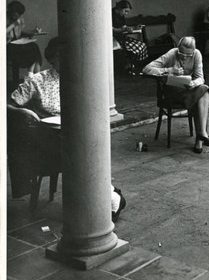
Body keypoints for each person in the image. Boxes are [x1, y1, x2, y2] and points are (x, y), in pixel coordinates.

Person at [7, 37, 126, 222]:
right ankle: (109, 197)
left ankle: (106, 196)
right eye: (62, 57)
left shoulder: (80, 79)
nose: (68, 61)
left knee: (89, 148)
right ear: (52, 58)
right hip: (48, 139)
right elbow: (8, 104)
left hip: (75, 134)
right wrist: (22, 111)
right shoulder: (38, 80)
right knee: (83, 154)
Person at [142, 36, 209, 153]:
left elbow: (200, 78)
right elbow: (146, 69)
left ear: (193, 51)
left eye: (188, 55)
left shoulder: (197, 54)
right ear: (178, 48)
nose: (184, 57)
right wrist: (169, 70)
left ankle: (200, 138)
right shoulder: (172, 53)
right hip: (172, 92)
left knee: (203, 91)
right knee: (202, 95)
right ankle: (201, 138)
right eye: (182, 53)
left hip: (188, 89)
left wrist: (193, 83)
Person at [6, 0, 43, 78]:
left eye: (20, 15)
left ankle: (33, 75)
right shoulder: (4, 18)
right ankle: (35, 76)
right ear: (11, 12)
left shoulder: (20, 18)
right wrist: (14, 24)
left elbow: (21, 31)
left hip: (17, 45)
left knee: (34, 46)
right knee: (33, 48)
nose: (18, 17)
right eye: (16, 15)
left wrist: (34, 32)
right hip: (7, 46)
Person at [112, 0, 148, 72]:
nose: (126, 13)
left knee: (142, 45)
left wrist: (131, 29)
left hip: (121, 37)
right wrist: (121, 30)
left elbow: (124, 26)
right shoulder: (110, 14)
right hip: (113, 38)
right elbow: (111, 29)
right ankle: (128, 65)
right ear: (119, 9)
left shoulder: (121, 16)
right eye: (125, 11)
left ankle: (132, 65)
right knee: (131, 48)